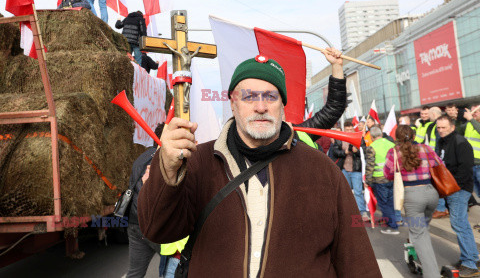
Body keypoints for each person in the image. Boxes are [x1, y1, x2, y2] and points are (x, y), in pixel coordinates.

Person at [138, 55, 382, 277]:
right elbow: (157, 230)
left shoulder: (322, 170)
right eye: (249, 97)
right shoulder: (198, 161)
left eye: (270, 96)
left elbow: (357, 258)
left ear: (282, 105)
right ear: (233, 103)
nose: (261, 106)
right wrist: (167, 172)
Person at [384, 125, 441, 278]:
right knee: (422, 230)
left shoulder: (394, 152)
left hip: (412, 196)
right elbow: (440, 164)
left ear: (397, 137)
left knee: (419, 234)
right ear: (414, 135)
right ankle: (420, 253)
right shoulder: (426, 148)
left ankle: (432, 274)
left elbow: (388, 174)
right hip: (431, 193)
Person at [436, 115, 480, 276]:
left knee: (459, 224)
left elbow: (465, 169)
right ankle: (471, 257)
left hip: (459, 189)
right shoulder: (441, 141)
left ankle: (470, 263)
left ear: (452, 127)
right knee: (461, 224)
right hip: (449, 188)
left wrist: (452, 187)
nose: (440, 130)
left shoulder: (460, 143)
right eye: (438, 127)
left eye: (444, 127)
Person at [126, 124, 167, 278]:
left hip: (135, 222)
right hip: (156, 224)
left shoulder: (141, 157)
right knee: (174, 269)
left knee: (135, 273)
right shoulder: (164, 158)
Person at [331, 121, 369, 222]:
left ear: (353, 129)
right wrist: (345, 152)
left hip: (356, 169)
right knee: (345, 192)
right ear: (344, 130)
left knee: (357, 192)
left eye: (350, 129)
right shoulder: (340, 138)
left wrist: (357, 151)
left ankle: (362, 212)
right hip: (344, 169)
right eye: (347, 129)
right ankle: (347, 212)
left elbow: (364, 151)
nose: (349, 131)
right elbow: (335, 151)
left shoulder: (359, 138)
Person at [365, 126, 398, 234]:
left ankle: (392, 226)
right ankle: (393, 221)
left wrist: (367, 181)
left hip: (379, 180)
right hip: (392, 178)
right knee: (391, 202)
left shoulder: (371, 147)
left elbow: (370, 166)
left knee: (384, 204)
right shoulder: (392, 144)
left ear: (372, 137)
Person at [459, 105, 480, 197]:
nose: (473, 114)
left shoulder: (473, 122)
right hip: (471, 164)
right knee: (478, 193)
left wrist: (471, 119)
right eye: (472, 112)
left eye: (476, 112)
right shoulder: (469, 124)